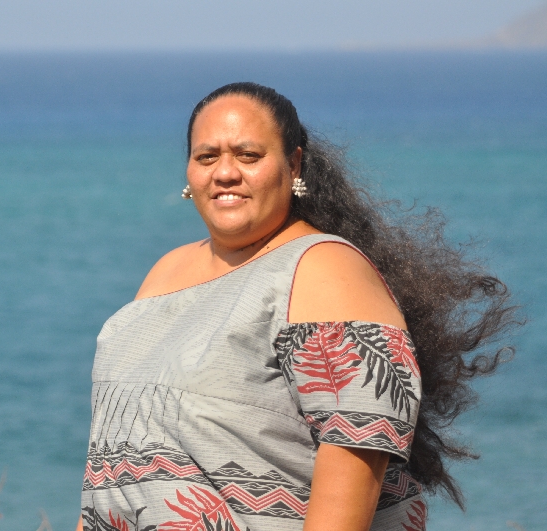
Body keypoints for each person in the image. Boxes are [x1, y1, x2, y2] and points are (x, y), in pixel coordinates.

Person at [77, 82, 515, 531]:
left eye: (248, 155)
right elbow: (108, 469)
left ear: (294, 164)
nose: (224, 173)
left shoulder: (323, 270)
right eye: (206, 157)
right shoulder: (166, 272)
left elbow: (355, 451)